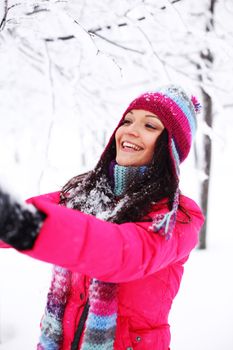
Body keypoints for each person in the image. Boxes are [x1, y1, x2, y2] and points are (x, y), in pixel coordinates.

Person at [0, 84, 204, 350]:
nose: (129, 130)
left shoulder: (178, 217)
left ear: (171, 147)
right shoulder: (83, 193)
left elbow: (121, 253)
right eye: (128, 120)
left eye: (150, 126)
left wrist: (26, 226)